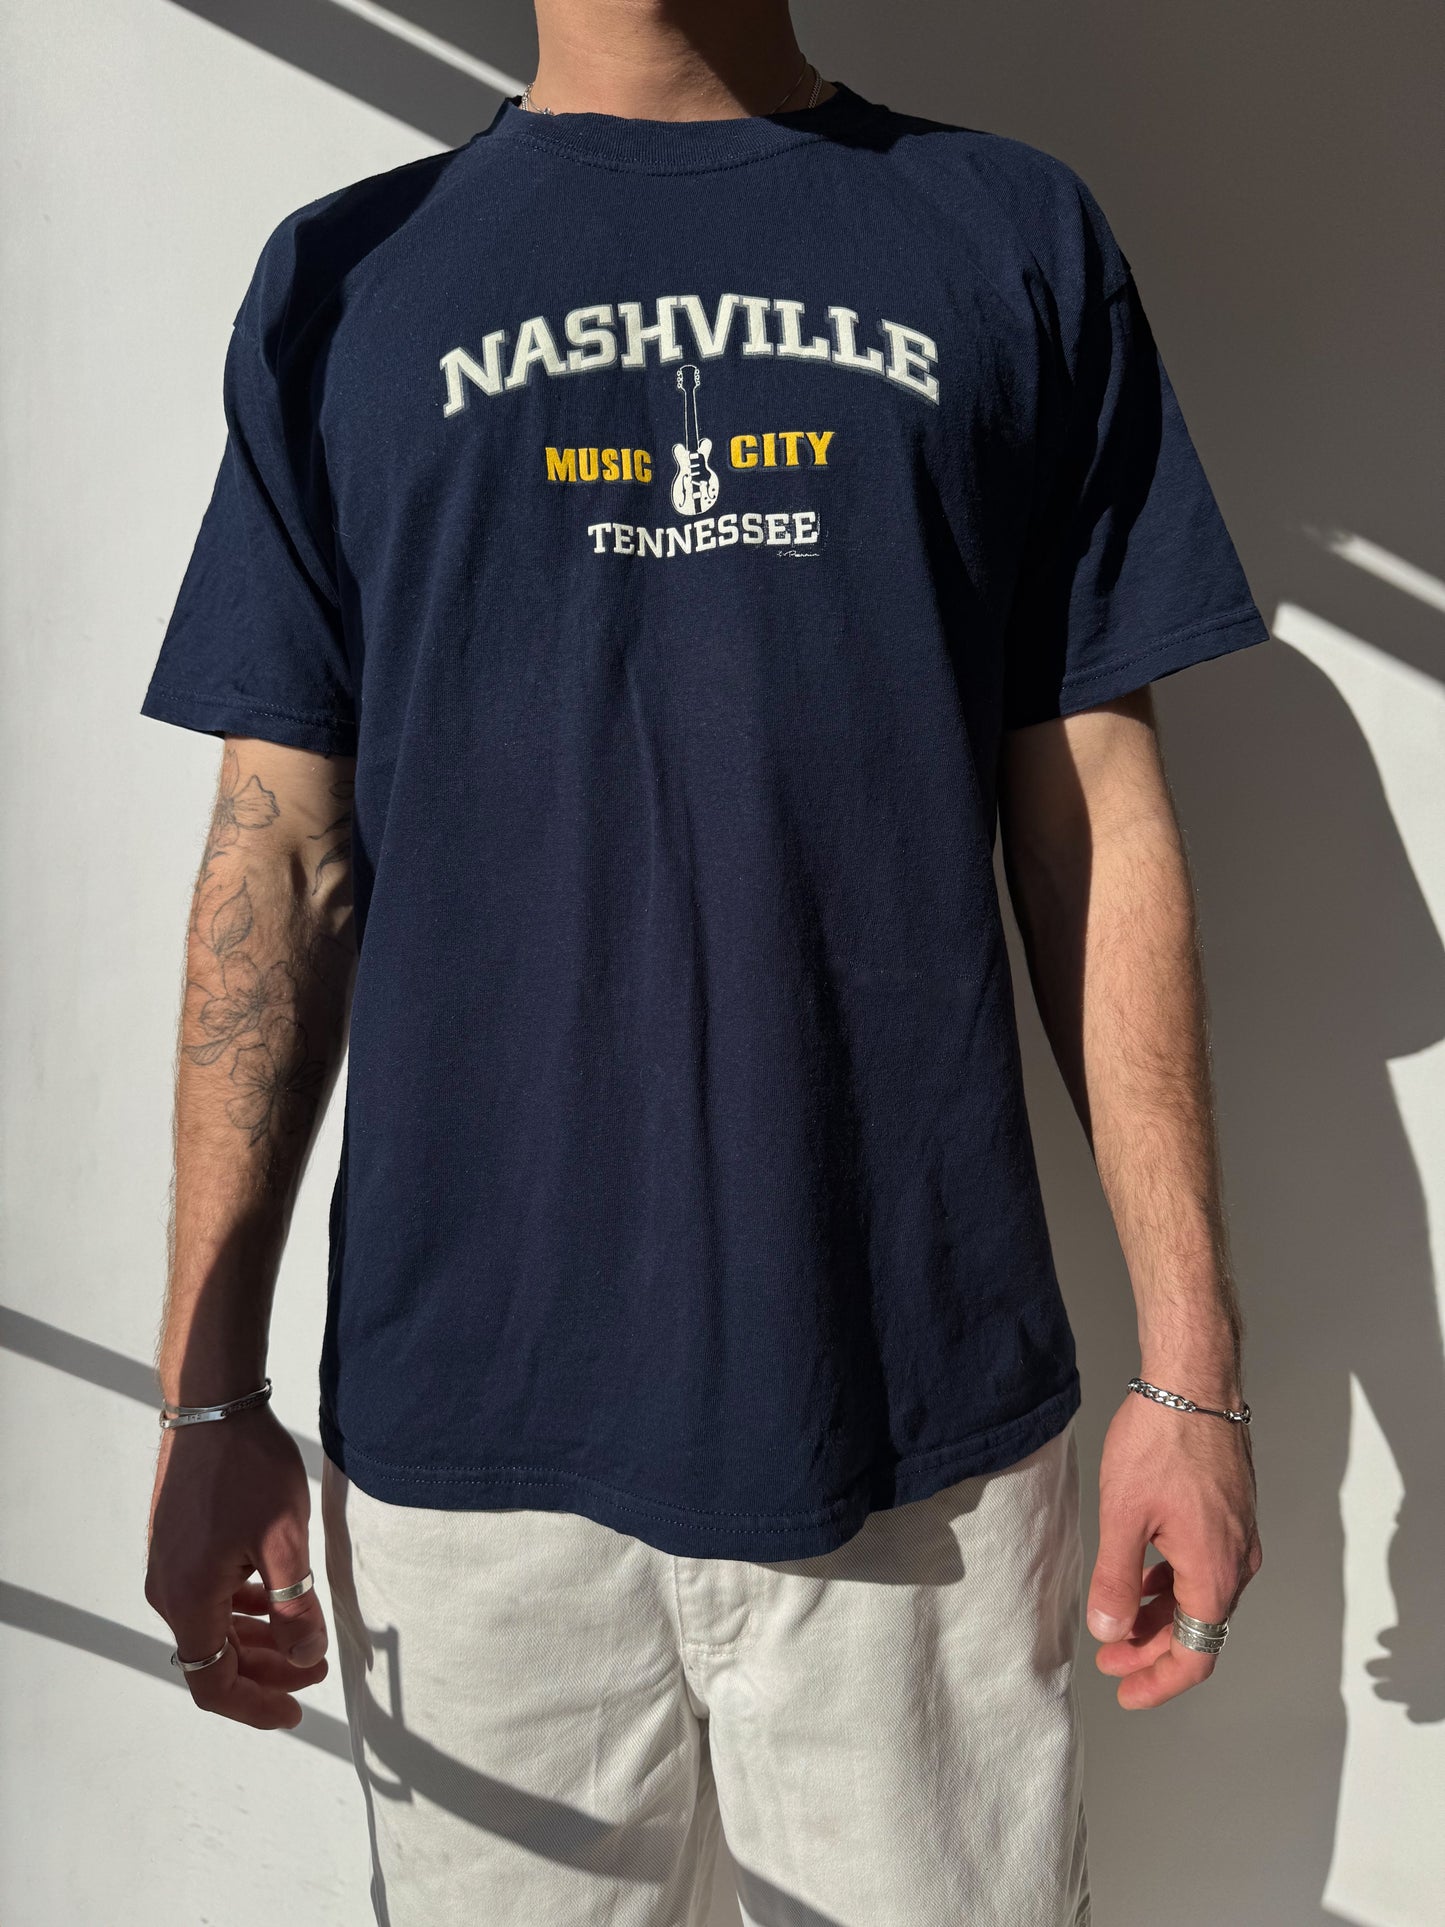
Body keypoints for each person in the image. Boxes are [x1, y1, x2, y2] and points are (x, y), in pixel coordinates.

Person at [141, 3, 1265, 1921]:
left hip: (914, 1419)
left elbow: (1095, 822)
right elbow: (281, 855)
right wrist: (203, 1391)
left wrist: (1196, 1372)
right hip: (470, 1448)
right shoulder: (350, 281)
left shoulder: (1006, 233)